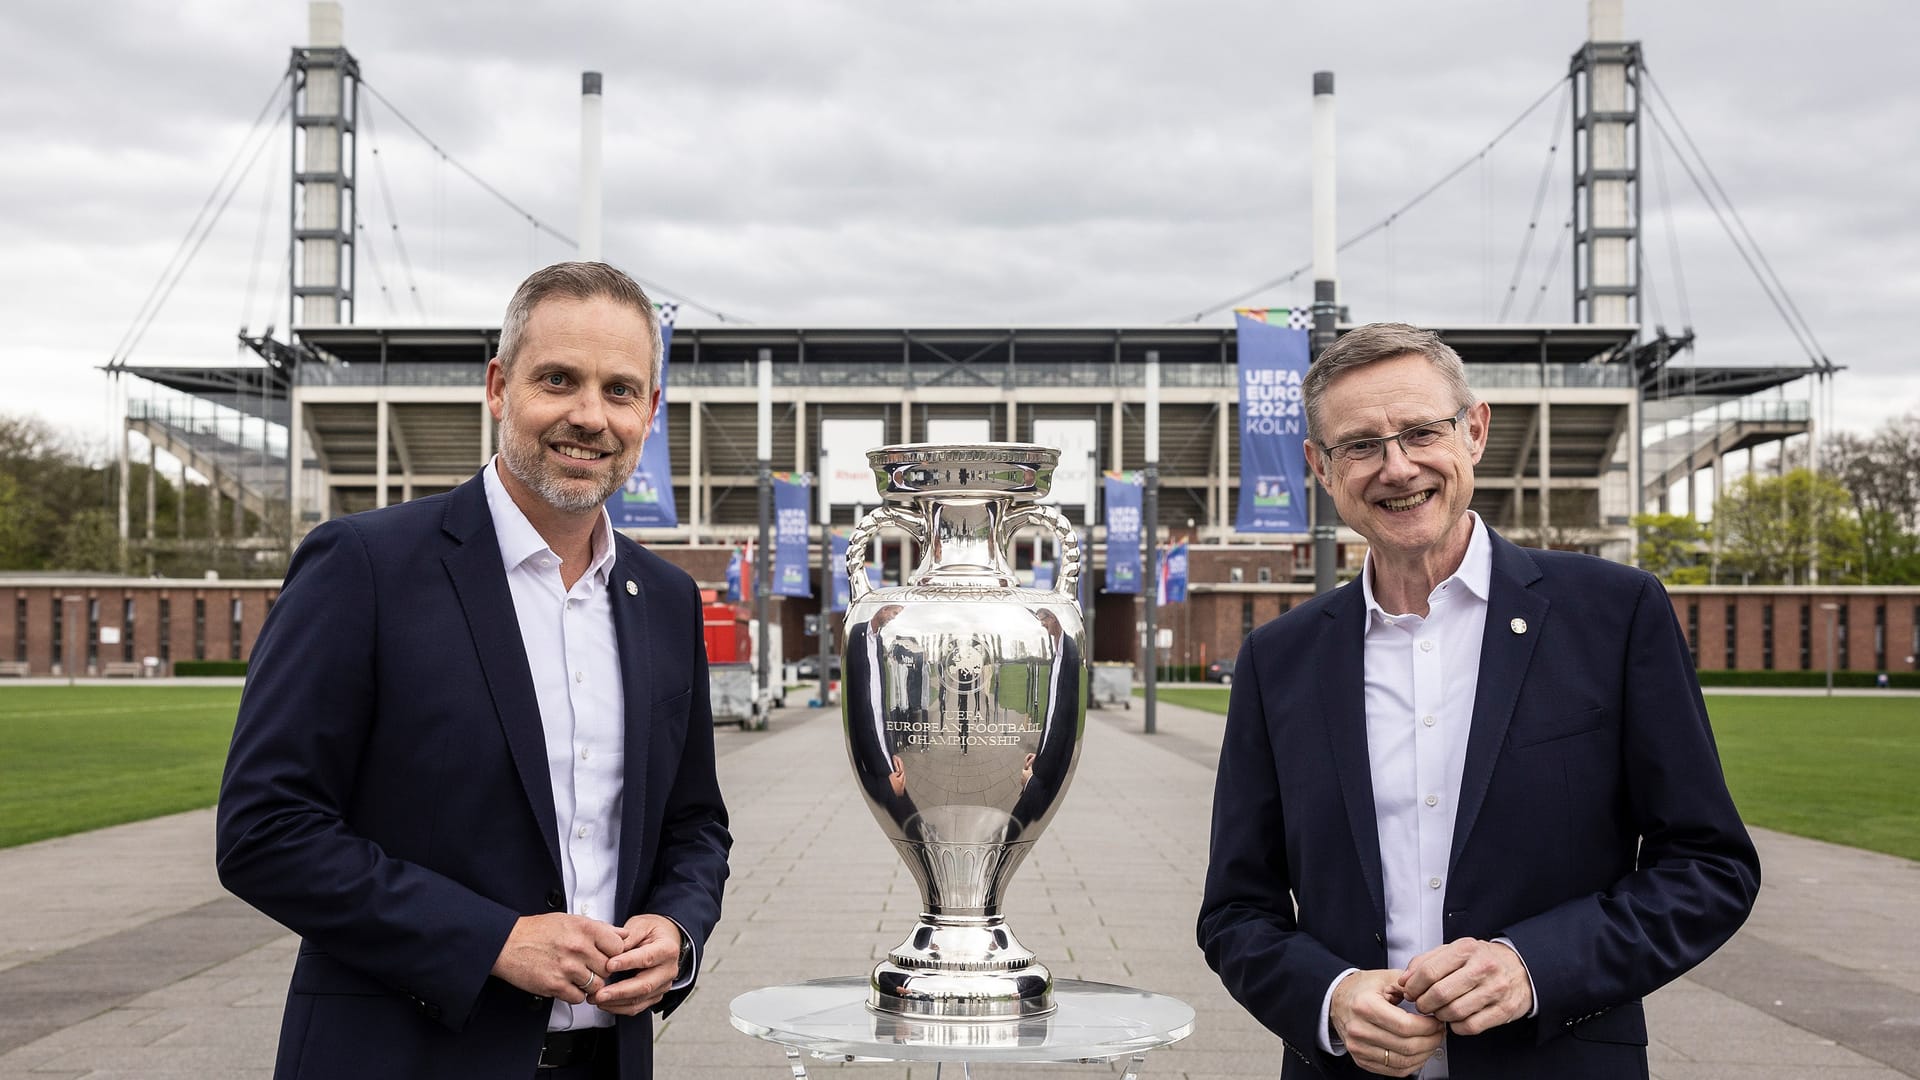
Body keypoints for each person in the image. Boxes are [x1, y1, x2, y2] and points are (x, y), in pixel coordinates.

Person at [1196, 323, 1759, 1079]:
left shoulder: (1613, 615)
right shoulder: (1279, 659)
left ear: (1475, 431)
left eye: (1421, 432)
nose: (1397, 468)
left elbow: (1707, 866)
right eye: (1360, 445)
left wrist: (1533, 968)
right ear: (1320, 470)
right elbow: (1237, 910)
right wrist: (1328, 997)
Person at [217, 262, 732, 1080]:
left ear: (651, 412)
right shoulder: (365, 568)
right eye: (558, 380)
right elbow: (265, 831)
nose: (589, 416)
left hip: (610, 1058)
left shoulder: (665, 599)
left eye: (621, 390)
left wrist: (679, 930)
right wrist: (493, 941)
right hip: (401, 1057)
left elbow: (694, 825)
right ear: (499, 386)